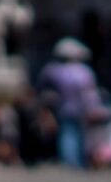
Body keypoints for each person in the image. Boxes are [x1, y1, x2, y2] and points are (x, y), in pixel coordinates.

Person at [36, 37, 100, 169]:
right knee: (77, 134)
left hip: (64, 108)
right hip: (81, 109)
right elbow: (91, 94)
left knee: (68, 133)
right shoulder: (84, 71)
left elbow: (42, 87)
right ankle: (77, 161)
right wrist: (93, 108)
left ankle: (70, 161)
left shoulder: (53, 70)